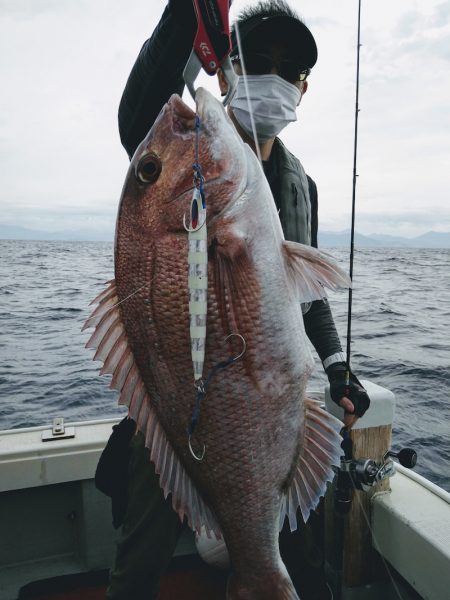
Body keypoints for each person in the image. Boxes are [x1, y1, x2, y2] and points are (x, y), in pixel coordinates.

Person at [105, 1, 370, 598]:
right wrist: (184, 14)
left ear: (304, 88)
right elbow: (139, 115)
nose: (273, 78)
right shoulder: (186, 146)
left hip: (274, 391)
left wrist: (336, 368)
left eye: (288, 70)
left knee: (299, 545)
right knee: (139, 554)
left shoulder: (302, 184)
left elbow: (310, 298)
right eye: (258, 62)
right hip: (175, 403)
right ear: (225, 72)